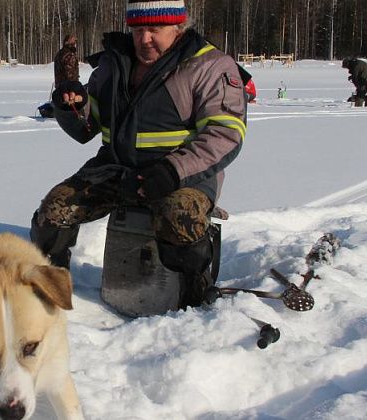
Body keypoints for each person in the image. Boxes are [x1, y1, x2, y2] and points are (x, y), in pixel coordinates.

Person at [30, 0, 247, 308]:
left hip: (183, 175)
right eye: (137, 30)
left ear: (178, 27)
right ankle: (50, 292)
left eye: (155, 29)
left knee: (180, 217)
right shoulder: (113, 63)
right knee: (54, 211)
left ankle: (194, 297)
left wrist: (171, 171)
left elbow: (225, 134)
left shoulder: (209, 65)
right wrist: (73, 106)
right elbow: (86, 129)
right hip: (115, 169)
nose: (145, 39)